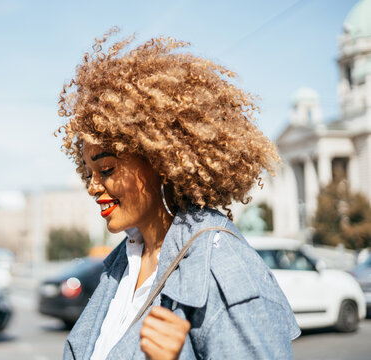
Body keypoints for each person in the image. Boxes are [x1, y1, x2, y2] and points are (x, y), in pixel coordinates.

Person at [56, 28, 300, 360]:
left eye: (107, 169)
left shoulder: (220, 263)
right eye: (89, 173)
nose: (92, 186)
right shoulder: (120, 265)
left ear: (159, 160)